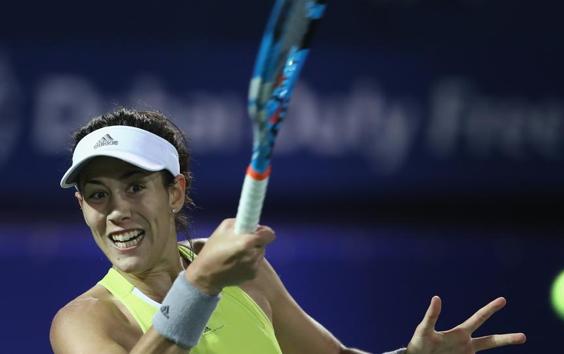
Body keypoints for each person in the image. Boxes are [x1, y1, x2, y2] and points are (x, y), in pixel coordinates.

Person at [50, 108, 526, 354]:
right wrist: (199, 285)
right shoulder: (85, 321)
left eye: (135, 187)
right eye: (98, 195)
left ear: (175, 193)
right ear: (82, 205)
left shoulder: (243, 275)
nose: (116, 211)